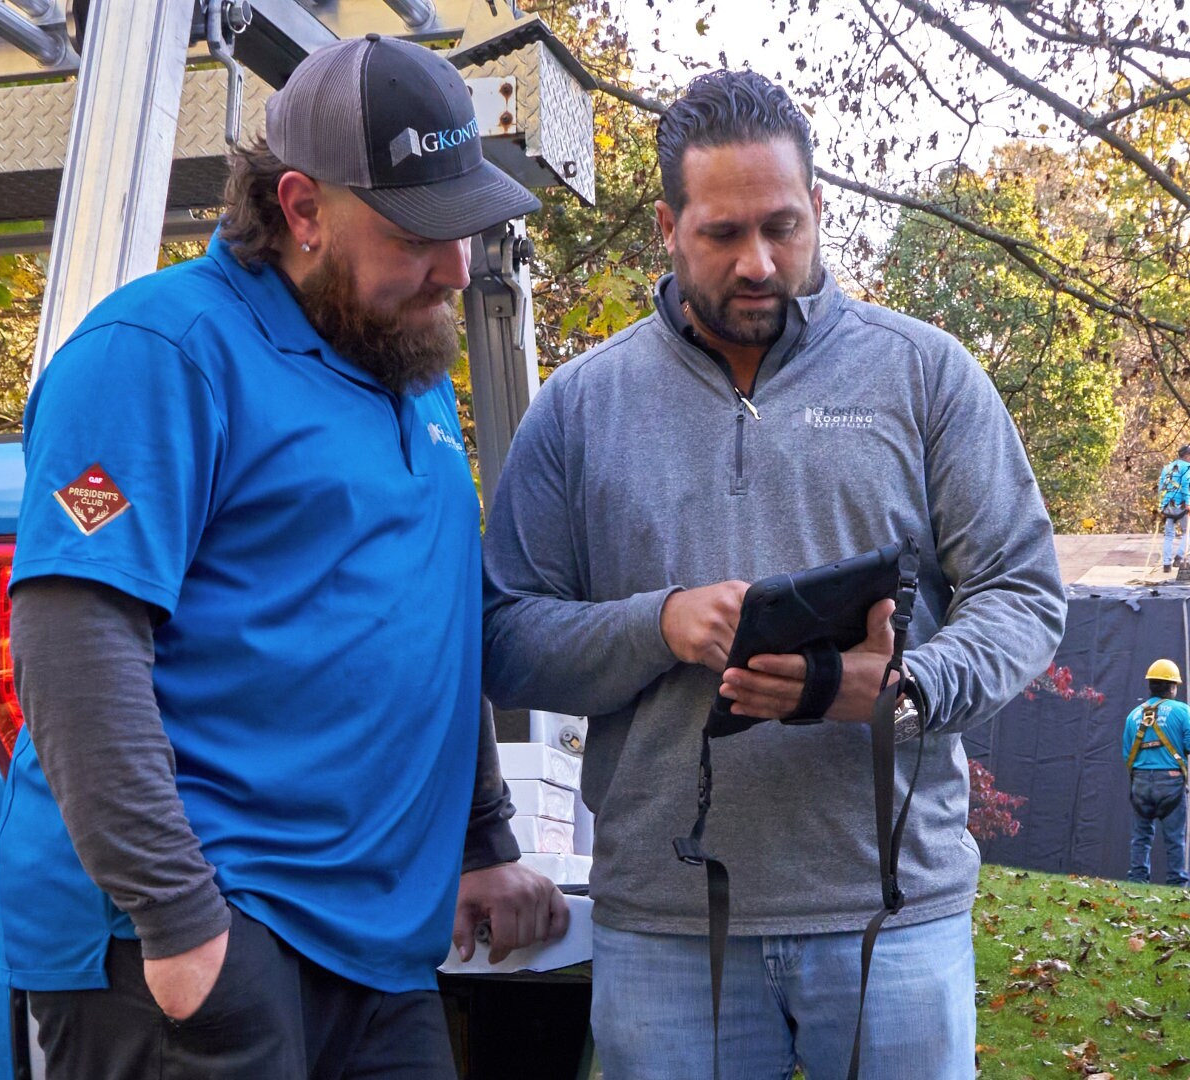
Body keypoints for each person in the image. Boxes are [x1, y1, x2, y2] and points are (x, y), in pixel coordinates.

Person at [0, 34, 567, 1080]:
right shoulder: (158, 354)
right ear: (302, 209)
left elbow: (429, 625)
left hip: (377, 944)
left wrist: (483, 840)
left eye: (470, 229)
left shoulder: (405, 365)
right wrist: (178, 922)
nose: (457, 267)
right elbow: (72, 648)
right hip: (204, 931)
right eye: (418, 234)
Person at [482, 70, 1065, 1080]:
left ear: (820, 210)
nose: (759, 262)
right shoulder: (579, 408)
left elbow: (1021, 591)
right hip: (665, 926)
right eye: (721, 233)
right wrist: (658, 625)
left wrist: (902, 688)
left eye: (783, 226)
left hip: (894, 914)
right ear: (667, 225)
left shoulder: (925, 376)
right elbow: (504, 637)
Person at [1122, 659, 1190, 886]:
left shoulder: (1133, 716)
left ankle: (1137, 882)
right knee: (1175, 839)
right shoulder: (1182, 711)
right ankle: (1177, 886)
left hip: (1140, 783)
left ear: (1150, 685)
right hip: (1170, 782)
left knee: (1141, 838)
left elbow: (1127, 755)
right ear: (1172, 687)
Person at [1159, 446, 1190, 568]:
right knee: (1187, 532)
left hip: (1168, 506)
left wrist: (1162, 505)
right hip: (1182, 506)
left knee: (1169, 535)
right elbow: (1186, 487)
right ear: (1187, 456)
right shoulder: (1187, 468)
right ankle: (1179, 555)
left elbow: (1162, 487)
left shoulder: (1167, 468)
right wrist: (1188, 503)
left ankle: (1166, 563)